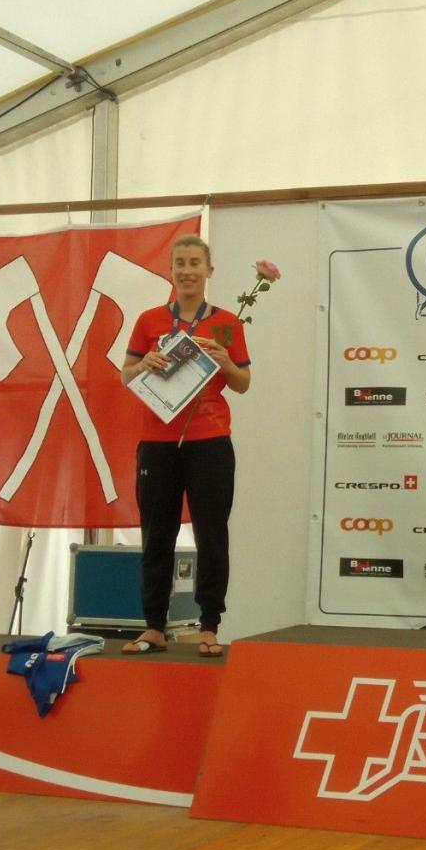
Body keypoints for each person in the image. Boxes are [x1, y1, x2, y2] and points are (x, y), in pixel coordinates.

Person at [120, 235, 250, 657]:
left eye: (195, 262)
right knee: (157, 533)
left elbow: (243, 383)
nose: (187, 270)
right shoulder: (149, 320)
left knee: (212, 533)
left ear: (209, 270)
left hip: (209, 440)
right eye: (180, 263)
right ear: (171, 270)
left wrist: (225, 362)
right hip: (157, 441)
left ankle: (209, 625)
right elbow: (125, 375)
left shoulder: (228, 323)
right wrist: (143, 364)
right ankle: (154, 626)